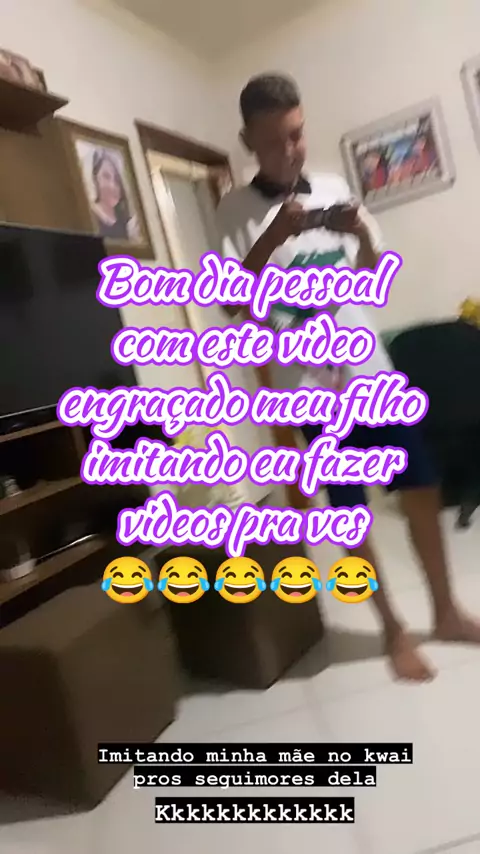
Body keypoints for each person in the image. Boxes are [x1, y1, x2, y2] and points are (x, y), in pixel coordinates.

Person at [215, 72, 480, 682]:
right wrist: (271, 238)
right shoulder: (231, 213)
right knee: (350, 511)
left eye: (297, 134)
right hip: (309, 392)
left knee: (421, 485)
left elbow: (370, 273)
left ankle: (445, 612)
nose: (290, 150)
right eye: (275, 140)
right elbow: (232, 302)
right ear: (248, 141)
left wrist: (360, 232)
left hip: (369, 373)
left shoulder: (333, 184)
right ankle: (391, 627)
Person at [89, 149, 139, 241]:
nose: (112, 186)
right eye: (106, 176)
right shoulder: (88, 217)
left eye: (116, 180)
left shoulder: (127, 222)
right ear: (95, 178)